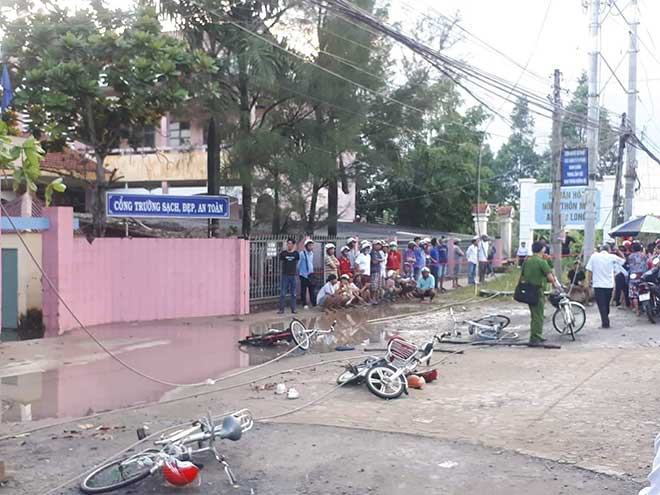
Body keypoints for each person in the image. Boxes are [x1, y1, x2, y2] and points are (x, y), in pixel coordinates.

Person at [521, 241, 562, 346]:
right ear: (542, 249)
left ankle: (536, 334)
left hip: (528, 289)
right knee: (538, 316)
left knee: (534, 314)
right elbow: (551, 277)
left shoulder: (527, 261)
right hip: (538, 290)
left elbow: (522, 277)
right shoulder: (541, 262)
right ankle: (535, 337)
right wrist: (549, 262)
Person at [586, 244, 626, 328]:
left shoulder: (594, 256)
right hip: (609, 285)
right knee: (606, 303)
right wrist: (618, 251)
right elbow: (623, 260)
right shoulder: (611, 257)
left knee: (601, 304)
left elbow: (589, 270)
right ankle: (605, 321)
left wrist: (589, 282)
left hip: (598, 285)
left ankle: (605, 322)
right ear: (609, 250)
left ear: (600, 250)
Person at [277, 238, 299, 314]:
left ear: (293, 245)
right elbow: (281, 262)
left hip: (293, 275)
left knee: (293, 293)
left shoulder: (296, 254)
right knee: (283, 293)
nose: (289, 245)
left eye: (290, 244)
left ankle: (294, 309)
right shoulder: (283, 253)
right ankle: (281, 309)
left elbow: (297, 263)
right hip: (285, 275)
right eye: (288, 243)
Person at [627, 241, 648, 315]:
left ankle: (637, 311)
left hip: (633, 277)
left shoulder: (630, 256)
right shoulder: (644, 256)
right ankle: (646, 309)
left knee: (634, 295)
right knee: (644, 293)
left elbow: (629, 266)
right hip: (643, 276)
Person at [298, 239, 316, 309]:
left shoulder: (312, 253)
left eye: (312, 245)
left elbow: (311, 263)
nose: (311, 247)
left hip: (310, 274)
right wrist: (299, 272)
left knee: (312, 289)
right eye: (309, 245)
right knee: (303, 290)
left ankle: (313, 303)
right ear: (306, 246)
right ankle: (304, 303)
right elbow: (299, 264)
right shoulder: (302, 253)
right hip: (303, 274)